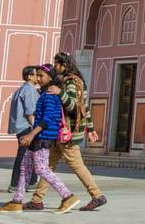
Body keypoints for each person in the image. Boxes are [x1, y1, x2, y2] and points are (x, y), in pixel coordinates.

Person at [29, 52, 106, 212]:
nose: (55, 67)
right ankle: (37, 200)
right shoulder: (66, 81)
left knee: (77, 166)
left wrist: (60, 93)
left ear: (64, 65)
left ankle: (97, 195)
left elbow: (74, 106)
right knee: (47, 165)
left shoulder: (71, 82)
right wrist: (90, 128)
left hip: (67, 133)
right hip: (60, 132)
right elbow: (84, 108)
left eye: (56, 64)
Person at [0, 72, 79, 213]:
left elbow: (47, 120)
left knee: (42, 169)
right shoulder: (44, 94)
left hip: (43, 136)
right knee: (25, 167)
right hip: (38, 136)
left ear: (51, 78)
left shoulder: (50, 96)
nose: (38, 79)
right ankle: (17, 201)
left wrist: (30, 135)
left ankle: (68, 196)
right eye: (38, 75)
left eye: (41, 76)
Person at [5, 66, 41, 192]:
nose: (39, 77)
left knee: (29, 155)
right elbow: (30, 112)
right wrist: (35, 129)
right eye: (36, 75)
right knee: (28, 155)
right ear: (29, 76)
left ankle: (28, 182)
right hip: (26, 127)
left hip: (20, 127)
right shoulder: (29, 90)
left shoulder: (21, 89)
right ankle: (18, 184)